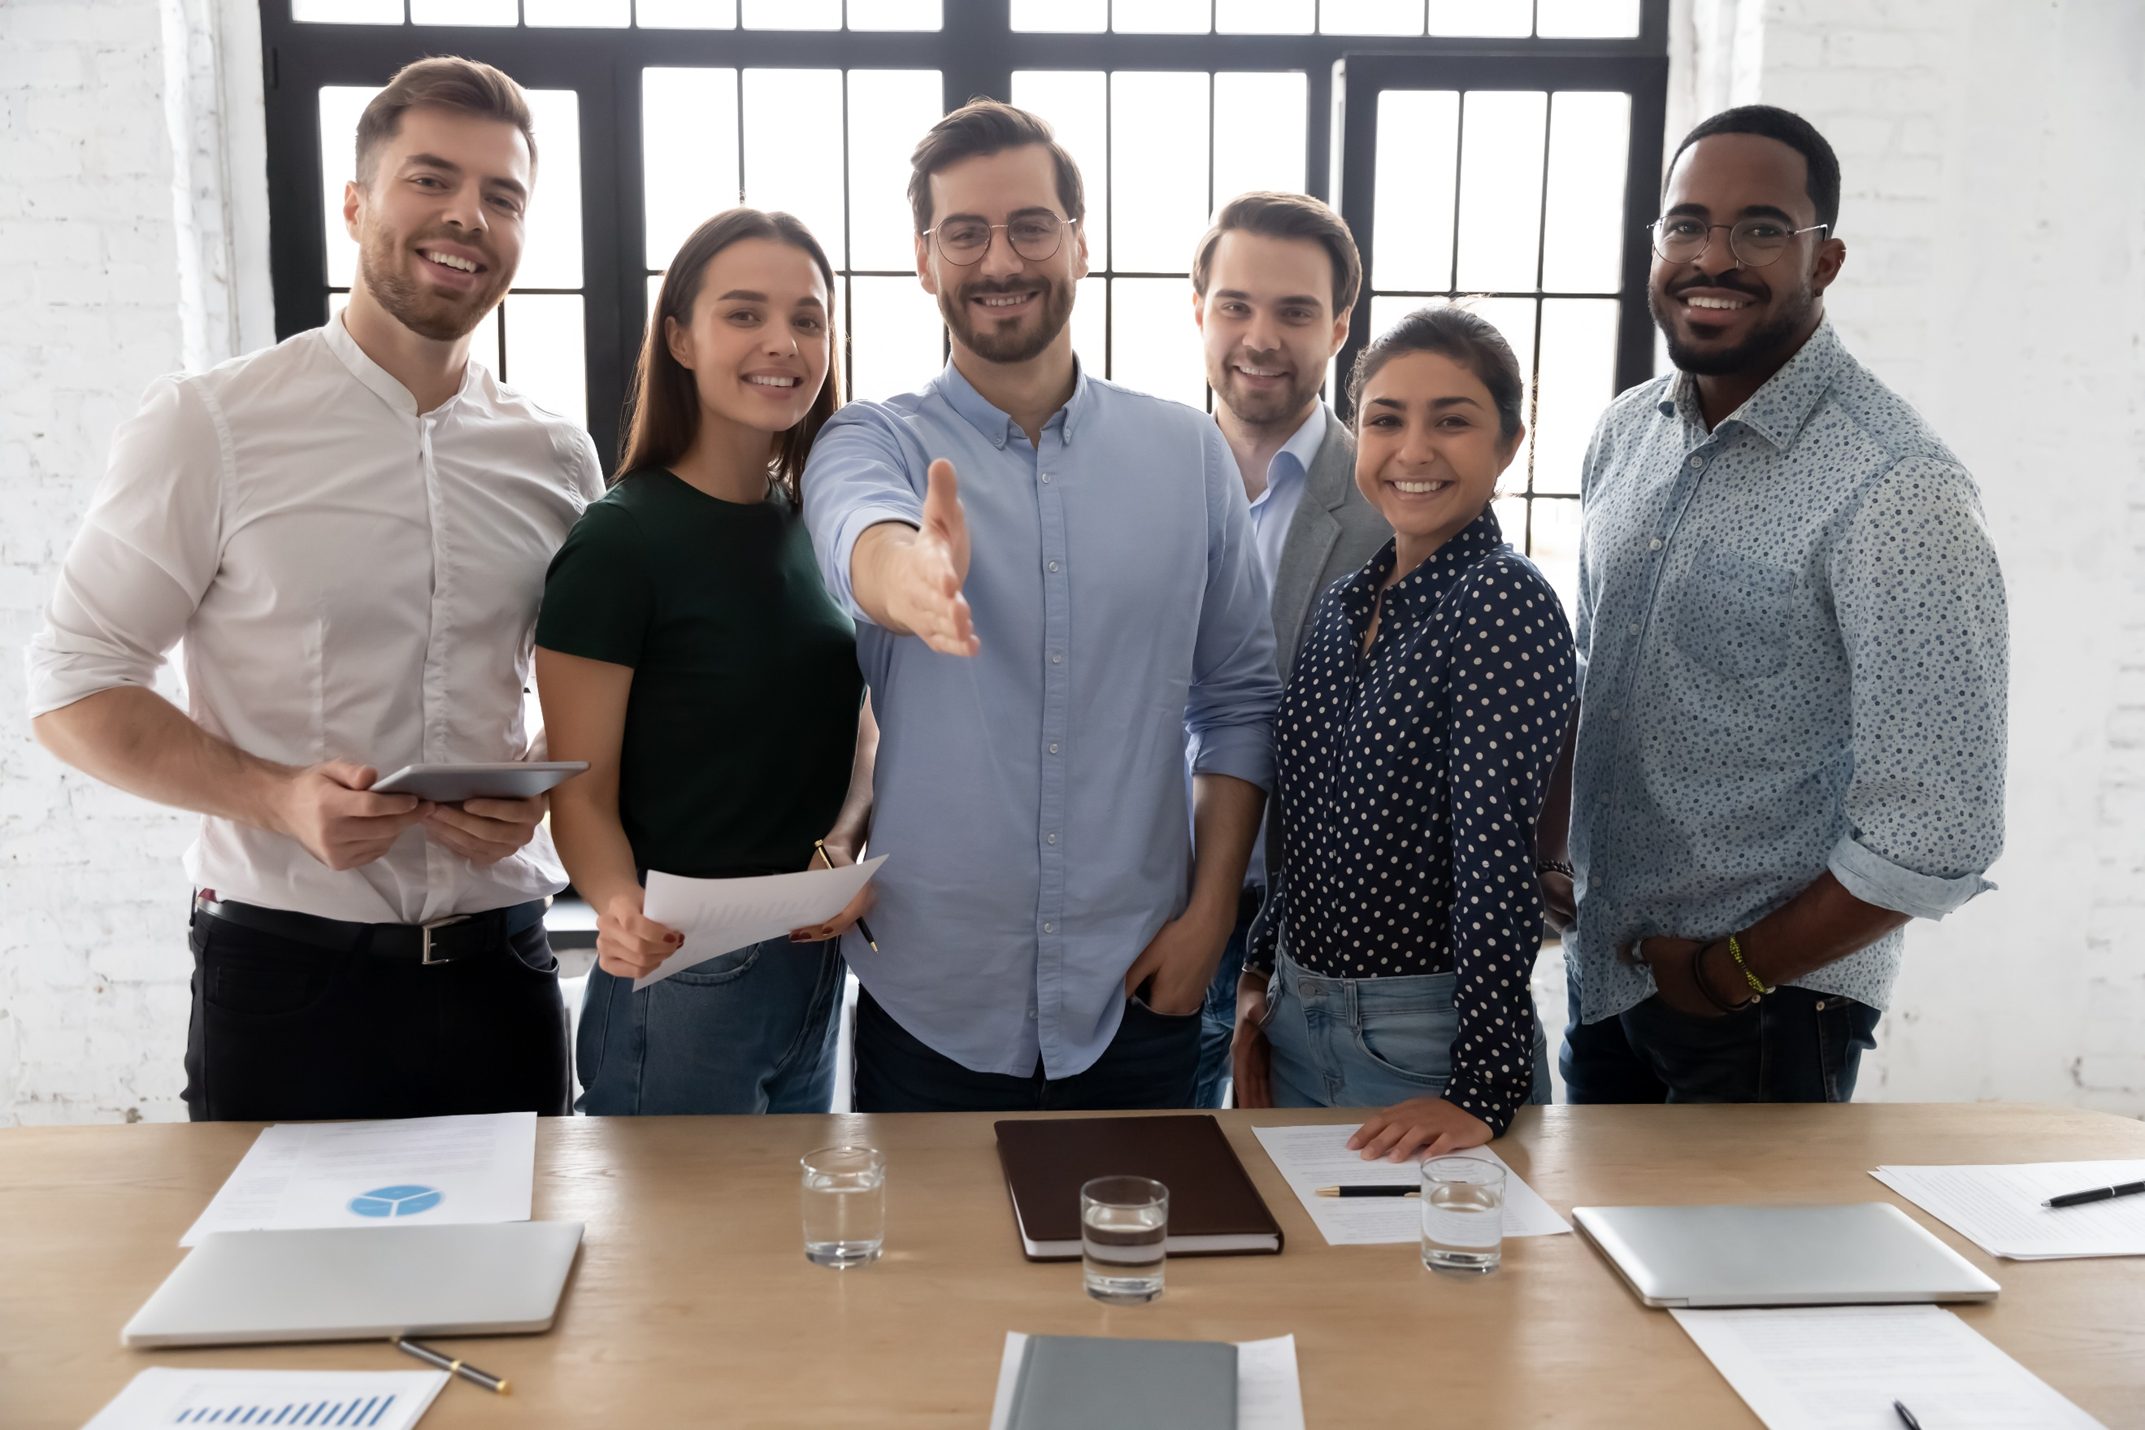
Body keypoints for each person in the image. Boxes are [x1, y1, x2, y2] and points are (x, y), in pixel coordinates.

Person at [25, 59, 599, 1121]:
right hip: (287, 981)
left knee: (520, 1287)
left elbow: (579, 696)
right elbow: (73, 688)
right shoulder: (211, 423)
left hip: (505, 974)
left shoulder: (560, 456)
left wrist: (530, 795)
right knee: (278, 1290)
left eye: (502, 196)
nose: (468, 215)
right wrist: (277, 796)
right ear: (356, 203)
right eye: (432, 179)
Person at [801, 99, 1282, 1113]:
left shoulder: (1186, 453)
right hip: (932, 1001)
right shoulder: (869, 437)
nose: (1000, 259)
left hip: (1142, 986)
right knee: (936, 1276)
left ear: (1080, 244)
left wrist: (1207, 922)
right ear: (924, 262)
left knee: (1149, 1270)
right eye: (964, 233)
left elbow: (1239, 699)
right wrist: (916, 575)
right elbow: (862, 545)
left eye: (1030, 225)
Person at [1556, 105, 2007, 1104]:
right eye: (1686, 225)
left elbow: (1941, 826)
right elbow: (1599, 675)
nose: (1712, 257)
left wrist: (1730, 972)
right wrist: (1557, 856)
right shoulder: (1626, 432)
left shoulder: (1897, 486)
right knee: (1587, 1263)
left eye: (1760, 228)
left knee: (1726, 1269)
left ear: (1826, 260)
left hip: (1761, 1013)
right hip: (1607, 979)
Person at [534, 209, 873, 1115]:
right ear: (679, 338)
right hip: (682, 974)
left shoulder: (812, 524)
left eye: (808, 318)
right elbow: (579, 789)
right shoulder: (619, 543)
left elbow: (855, 723)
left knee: (774, 1255)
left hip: (809, 960)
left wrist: (838, 845)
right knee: (670, 1257)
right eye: (744, 314)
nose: (784, 342)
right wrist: (613, 905)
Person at [1231, 307, 1576, 1159]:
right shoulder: (1348, 602)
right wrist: (1257, 972)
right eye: (1385, 420)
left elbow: (1495, 853)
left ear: (1509, 443)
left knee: (1438, 1291)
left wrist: (1483, 1088)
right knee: (1307, 1293)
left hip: (1425, 1046)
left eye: (1452, 420)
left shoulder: (1502, 599)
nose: (1413, 450)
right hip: (1293, 1022)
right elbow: (1303, 815)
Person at [1187, 191, 1391, 1108]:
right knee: (1153, 1165)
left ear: (1339, 327)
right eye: (1235, 305)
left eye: (1295, 311)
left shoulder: (1396, 497)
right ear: (1199, 311)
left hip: (1315, 921)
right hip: (1148, 896)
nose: (1259, 337)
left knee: (1303, 1197)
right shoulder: (1142, 475)